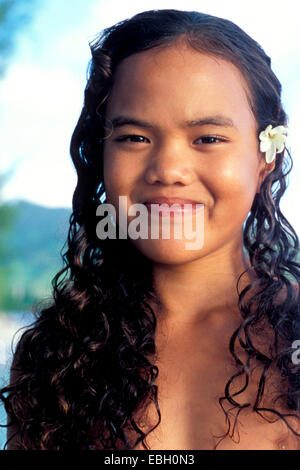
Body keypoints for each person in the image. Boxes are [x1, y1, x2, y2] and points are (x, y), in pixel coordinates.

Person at [1, 9, 300, 451]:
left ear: (264, 159)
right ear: (99, 153)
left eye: (208, 139)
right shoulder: (57, 354)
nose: (168, 170)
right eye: (134, 138)